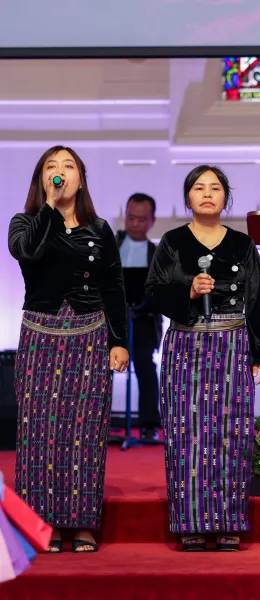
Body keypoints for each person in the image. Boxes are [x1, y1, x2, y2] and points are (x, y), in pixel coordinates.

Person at [145, 165, 260, 551]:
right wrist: (186, 291)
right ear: (187, 197)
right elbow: (152, 292)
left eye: (215, 188)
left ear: (225, 197)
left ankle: (228, 522)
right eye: (199, 188)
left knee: (231, 433)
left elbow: (257, 299)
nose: (207, 193)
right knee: (185, 432)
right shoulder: (172, 242)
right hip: (185, 344)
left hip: (232, 343)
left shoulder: (242, 244)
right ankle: (190, 523)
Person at [8, 146, 129, 554]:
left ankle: (81, 524)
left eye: (68, 166)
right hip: (40, 335)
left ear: (81, 178)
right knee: (38, 432)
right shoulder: (25, 222)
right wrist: (49, 208)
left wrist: (119, 340)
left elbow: (113, 286)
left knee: (85, 430)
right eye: (51, 167)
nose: (59, 172)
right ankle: (40, 524)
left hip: (89, 334)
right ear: (41, 179)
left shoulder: (99, 229)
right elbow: (27, 253)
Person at [116, 193, 163, 442]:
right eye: (130, 217)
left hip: (145, 319)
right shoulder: (111, 247)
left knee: (145, 367)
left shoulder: (156, 253)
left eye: (141, 219)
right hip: (114, 319)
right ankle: (95, 423)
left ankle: (149, 424)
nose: (134, 224)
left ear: (151, 221)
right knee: (99, 369)